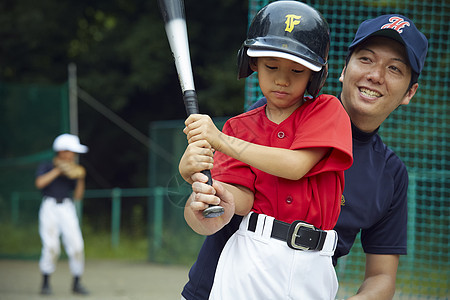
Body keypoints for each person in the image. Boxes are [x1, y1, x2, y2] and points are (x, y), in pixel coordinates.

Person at [179, 12, 428, 300]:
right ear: (343, 70)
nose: (375, 75)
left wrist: (221, 141)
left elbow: (382, 277)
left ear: (410, 92)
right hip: (222, 286)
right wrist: (200, 188)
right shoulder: (272, 113)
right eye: (366, 59)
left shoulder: (392, 174)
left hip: (308, 281)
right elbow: (224, 206)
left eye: (395, 69)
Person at [180, 1, 353, 299]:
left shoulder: (328, 110)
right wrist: (205, 185)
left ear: (315, 75)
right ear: (253, 64)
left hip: (315, 264)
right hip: (251, 256)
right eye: (271, 66)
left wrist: (220, 141)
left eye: (297, 70)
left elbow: (296, 165)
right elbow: (243, 202)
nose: (282, 79)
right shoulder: (239, 127)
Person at [35, 133, 90, 295]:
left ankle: (77, 283)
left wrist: (81, 178)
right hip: (50, 206)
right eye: (71, 151)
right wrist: (58, 170)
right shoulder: (47, 165)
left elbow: (78, 196)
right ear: (62, 151)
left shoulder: (74, 171)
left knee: (77, 245)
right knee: (51, 246)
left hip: (67, 207)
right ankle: (45, 283)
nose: (73, 155)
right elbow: (39, 183)